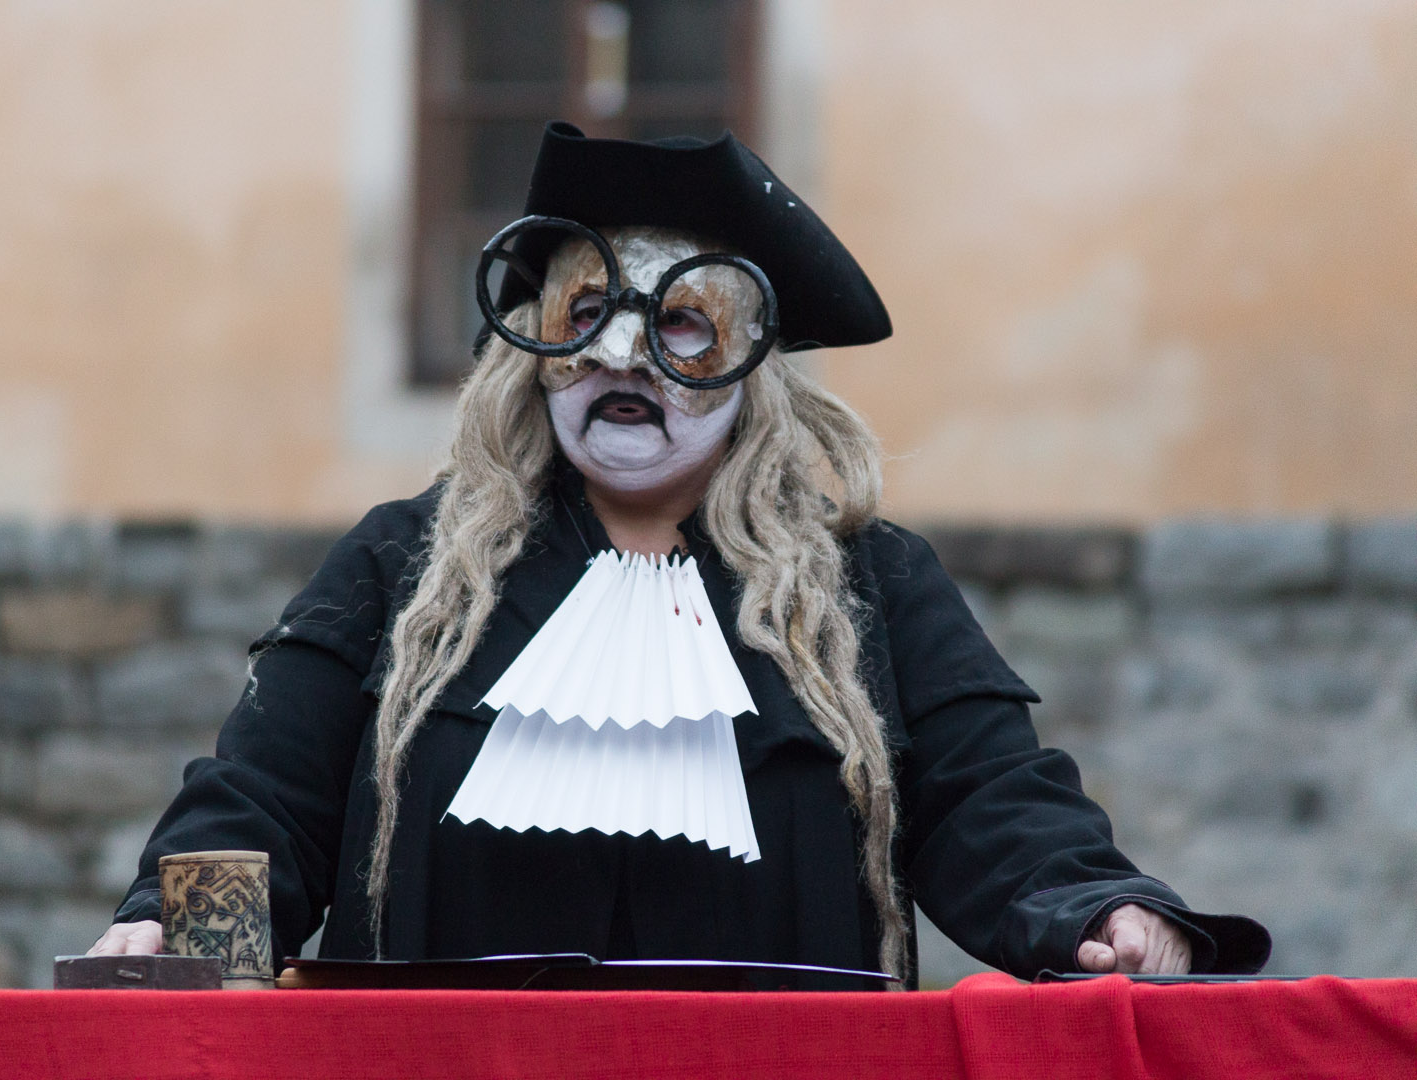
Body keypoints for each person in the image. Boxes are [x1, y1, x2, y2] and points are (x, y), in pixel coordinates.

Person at [89, 121, 1269, 988]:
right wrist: (175, 933)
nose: (623, 357)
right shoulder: (405, 565)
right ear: (535, 348)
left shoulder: (871, 584)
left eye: (682, 325)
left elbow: (995, 804)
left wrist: (1102, 911)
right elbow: (259, 803)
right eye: (582, 318)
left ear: (752, 363)